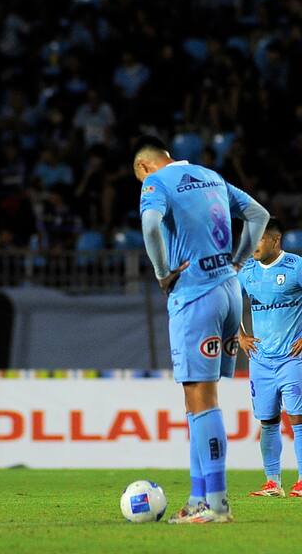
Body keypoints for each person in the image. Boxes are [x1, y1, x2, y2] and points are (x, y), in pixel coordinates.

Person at [134, 135, 269, 523]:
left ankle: (216, 502)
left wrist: (162, 274)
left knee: (202, 398)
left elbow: (149, 224)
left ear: (145, 166)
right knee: (197, 398)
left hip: (195, 296)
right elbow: (258, 215)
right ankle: (198, 499)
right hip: (228, 291)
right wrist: (240, 261)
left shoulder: (155, 183)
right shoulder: (210, 175)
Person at [237, 218, 302, 498]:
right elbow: (230, 303)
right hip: (261, 360)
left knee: (298, 418)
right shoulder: (246, 271)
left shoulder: (296, 266)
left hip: (292, 357)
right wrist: (239, 336)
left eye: (259, 239)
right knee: (268, 421)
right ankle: (272, 482)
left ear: (275, 241)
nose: (253, 245)